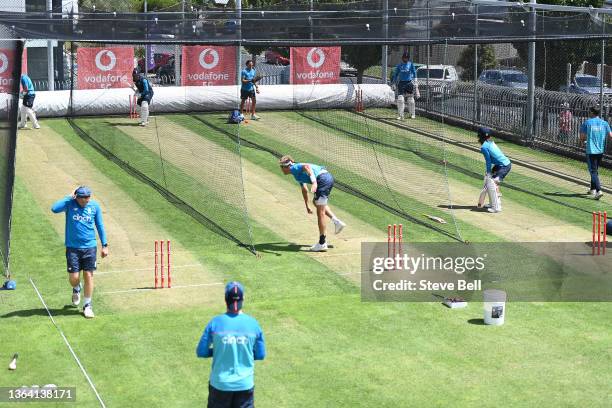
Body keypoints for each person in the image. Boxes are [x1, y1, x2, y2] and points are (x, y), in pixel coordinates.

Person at [196, 281, 266, 408]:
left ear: (225, 299)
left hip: (220, 385)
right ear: (243, 299)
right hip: (244, 385)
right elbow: (261, 355)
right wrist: (244, 352)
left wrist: (219, 350)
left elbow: (201, 352)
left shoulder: (215, 323)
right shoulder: (254, 324)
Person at [51, 186, 108, 318]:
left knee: (88, 275)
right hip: (73, 248)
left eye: (88, 197)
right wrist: (68, 197)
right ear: (77, 197)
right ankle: (76, 288)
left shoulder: (94, 206)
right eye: (83, 198)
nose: (86, 200)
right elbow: (54, 209)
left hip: (90, 247)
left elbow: (100, 225)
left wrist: (104, 245)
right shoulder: (70, 204)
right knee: (74, 278)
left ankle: (87, 305)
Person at [279, 155, 346, 251]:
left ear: (286, 167)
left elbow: (307, 167)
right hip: (326, 178)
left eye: (281, 167)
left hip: (322, 179)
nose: (281, 170)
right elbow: (304, 189)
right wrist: (307, 205)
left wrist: (314, 182)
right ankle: (337, 222)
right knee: (316, 202)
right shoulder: (296, 174)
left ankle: (322, 243)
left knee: (320, 212)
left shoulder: (294, 167)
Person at [579, 106, 612, 200]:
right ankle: (592, 189)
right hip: (600, 150)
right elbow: (610, 135)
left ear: (592, 113)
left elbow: (582, 136)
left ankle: (599, 190)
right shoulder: (604, 123)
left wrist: (582, 142)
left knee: (593, 171)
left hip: (591, 150)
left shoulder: (587, 123)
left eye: (589, 111)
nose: (588, 113)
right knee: (595, 169)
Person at [477, 127, 511, 213]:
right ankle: (493, 203)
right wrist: (488, 173)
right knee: (490, 182)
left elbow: (488, 161)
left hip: (504, 166)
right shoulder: (491, 142)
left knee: (493, 183)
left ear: (479, 136)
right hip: (500, 165)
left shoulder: (484, 147)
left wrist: (488, 172)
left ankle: (497, 207)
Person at [391, 51, 418, 120]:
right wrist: (393, 83)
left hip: (409, 83)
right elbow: (396, 74)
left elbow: (414, 73)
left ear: (408, 58)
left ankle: (412, 114)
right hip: (401, 83)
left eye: (406, 58)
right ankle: (400, 115)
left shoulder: (411, 64)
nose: (405, 59)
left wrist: (415, 80)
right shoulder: (399, 65)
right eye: (404, 58)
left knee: (410, 99)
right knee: (400, 99)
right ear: (402, 58)